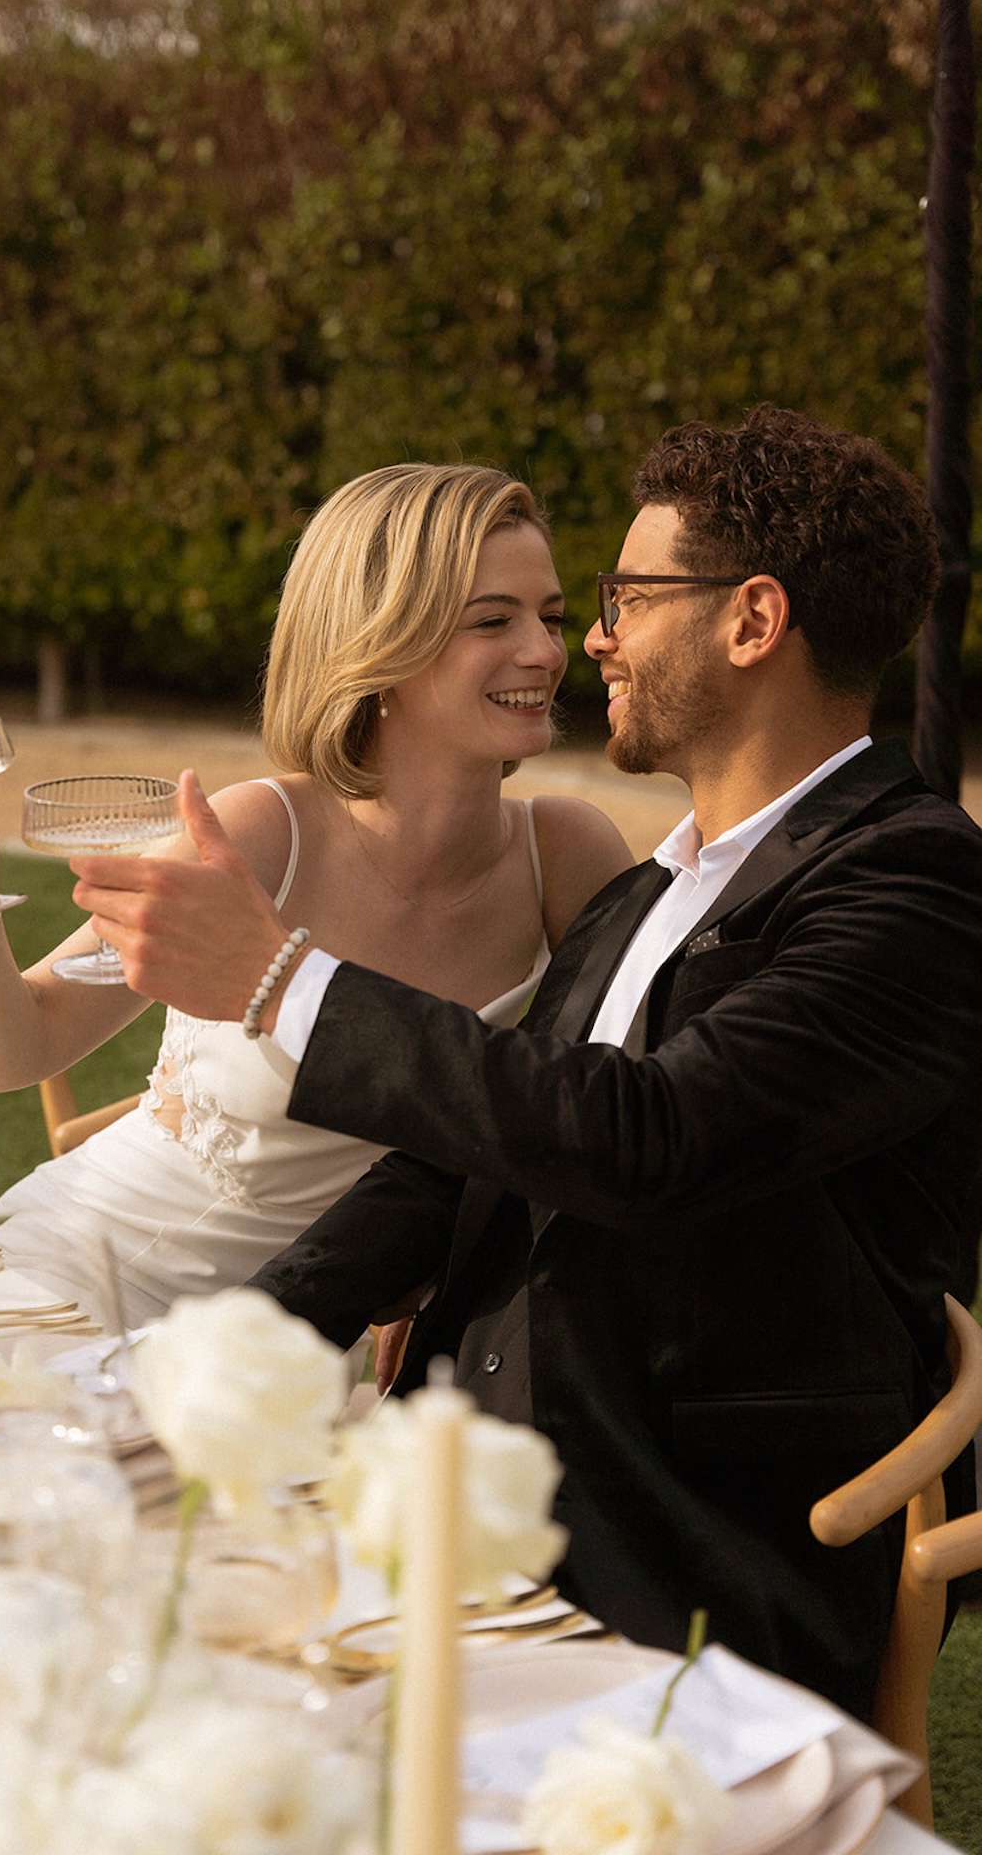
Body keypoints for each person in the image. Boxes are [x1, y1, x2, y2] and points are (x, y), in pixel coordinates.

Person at [71, 405, 982, 1720]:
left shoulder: (914, 890)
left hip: (672, 1546)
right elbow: (468, 1161)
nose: (589, 640)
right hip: (454, 1474)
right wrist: (223, 1351)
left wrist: (280, 984)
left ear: (752, 622)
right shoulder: (649, 884)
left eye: (625, 599)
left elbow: (649, 1137)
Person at [0, 462, 631, 1328]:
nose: (544, 651)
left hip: (310, 1334)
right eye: (493, 620)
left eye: (551, 616)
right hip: (90, 1282)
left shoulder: (566, 855)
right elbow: (7, 1053)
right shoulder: (262, 832)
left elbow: (600, 1123)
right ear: (380, 643)